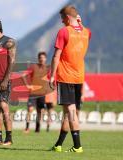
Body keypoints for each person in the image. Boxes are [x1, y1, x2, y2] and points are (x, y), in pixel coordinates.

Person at [49, 5, 91, 153]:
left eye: (62, 19)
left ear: (67, 18)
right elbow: (81, 30)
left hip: (65, 76)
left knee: (71, 111)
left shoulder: (64, 31)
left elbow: (56, 56)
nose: (61, 22)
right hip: (79, 77)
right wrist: (80, 22)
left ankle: (78, 146)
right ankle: (58, 144)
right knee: (69, 112)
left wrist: (52, 75)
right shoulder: (87, 32)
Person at [22, 52, 55, 133]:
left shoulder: (48, 68)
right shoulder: (34, 67)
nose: (42, 59)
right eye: (40, 57)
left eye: (43, 58)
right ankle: (27, 128)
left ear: (45, 59)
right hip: (33, 93)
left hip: (42, 93)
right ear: (38, 58)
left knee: (40, 112)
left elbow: (53, 78)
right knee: (30, 110)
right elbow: (23, 75)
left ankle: (37, 128)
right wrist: (27, 86)